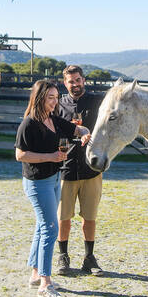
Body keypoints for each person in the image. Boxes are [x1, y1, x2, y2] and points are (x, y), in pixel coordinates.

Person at [15, 79, 90, 297]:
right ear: (39, 98)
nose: (55, 101)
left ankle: (36, 273)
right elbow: (20, 155)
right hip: (37, 183)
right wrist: (50, 157)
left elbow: (79, 128)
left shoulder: (54, 120)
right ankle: (46, 284)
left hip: (54, 179)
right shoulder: (28, 124)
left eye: (57, 97)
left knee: (42, 226)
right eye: (50, 97)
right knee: (50, 227)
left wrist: (85, 133)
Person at [54, 65, 105, 277]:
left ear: (84, 80)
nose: (75, 84)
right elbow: (55, 133)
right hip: (65, 169)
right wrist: (65, 144)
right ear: (65, 84)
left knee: (89, 217)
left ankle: (89, 258)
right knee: (63, 217)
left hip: (91, 169)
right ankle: (63, 256)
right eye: (70, 82)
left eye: (78, 80)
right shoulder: (58, 104)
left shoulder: (97, 101)